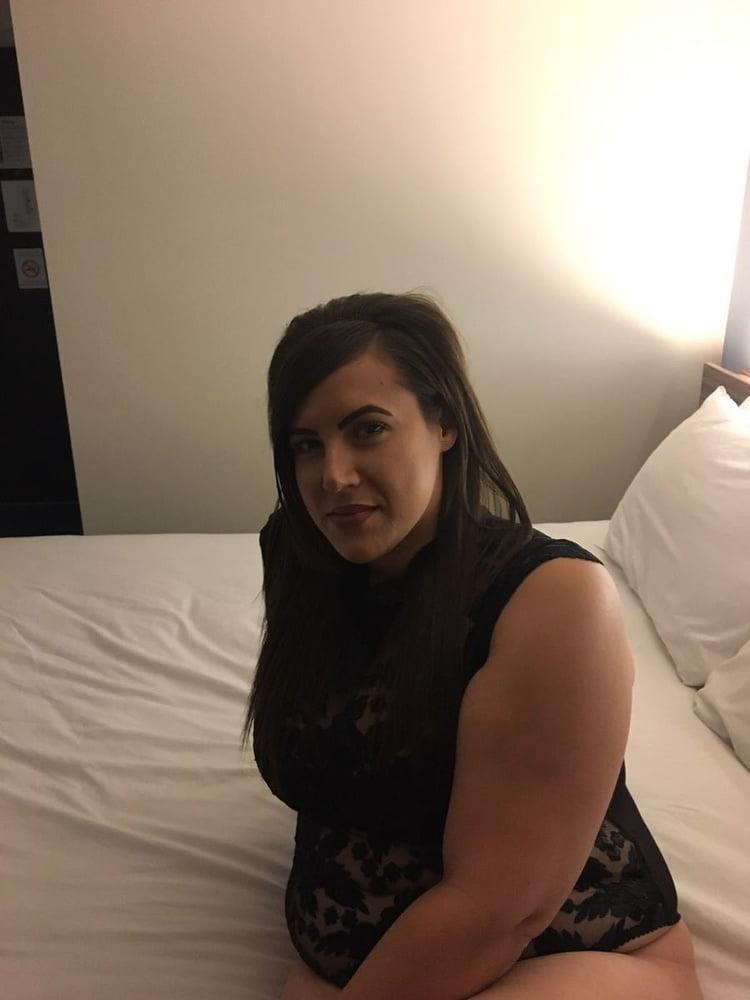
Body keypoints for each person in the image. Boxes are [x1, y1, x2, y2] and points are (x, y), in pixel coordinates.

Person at [242, 291, 704, 999]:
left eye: (367, 430)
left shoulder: (553, 598)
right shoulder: (297, 554)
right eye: (306, 444)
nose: (333, 475)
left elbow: (503, 909)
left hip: (570, 956)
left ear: (445, 424)